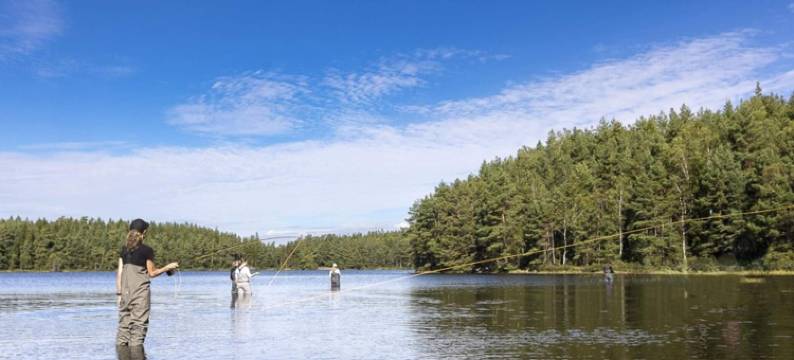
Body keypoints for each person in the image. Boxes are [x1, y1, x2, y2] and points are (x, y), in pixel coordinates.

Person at [116, 219, 179, 360]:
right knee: (138, 331)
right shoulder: (146, 250)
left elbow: (119, 273)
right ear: (144, 233)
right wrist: (168, 267)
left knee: (123, 331)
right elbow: (152, 273)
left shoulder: (124, 250)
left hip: (124, 296)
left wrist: (119, 295)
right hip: (140, 296)